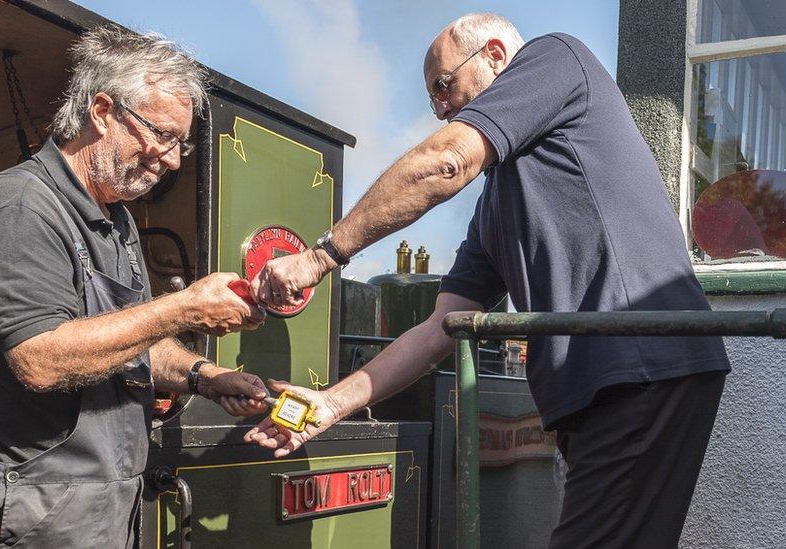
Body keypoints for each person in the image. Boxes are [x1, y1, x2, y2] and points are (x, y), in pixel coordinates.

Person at [246, 13, 731, 547]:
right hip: (602, 389)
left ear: (496, 56)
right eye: (432, 98)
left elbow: (447, 161)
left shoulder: (556, 57)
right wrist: (331, 404)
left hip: (641, 366)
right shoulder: (497, 204)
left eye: (443, 85)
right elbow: (439, 328)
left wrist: (318, 258)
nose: (438, 108)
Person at [0, 26, 267, 548]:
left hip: (105, 502)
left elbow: (131, 341)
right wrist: (182, 308)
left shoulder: (115, 220)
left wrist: (205, 376)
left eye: (181, 143)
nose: (173, 159)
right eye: (162, 134)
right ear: (101, 111)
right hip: (36, 506)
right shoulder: (20, 207)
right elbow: (40, 357)